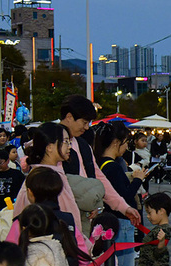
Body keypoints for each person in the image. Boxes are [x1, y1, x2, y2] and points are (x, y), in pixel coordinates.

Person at [94, 121, 149, 266]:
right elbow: (124, 196)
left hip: (109, 224)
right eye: (126, 143)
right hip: (121, 223)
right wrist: (137, 180)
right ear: (116, 143)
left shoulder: (99, 163)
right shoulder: (112, 166)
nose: (127, 147)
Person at [58, 95, 142, 228]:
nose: (86, 128)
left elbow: (99, 177)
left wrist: (123, 207)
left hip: (84, 219)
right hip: (61, 219)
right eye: (84, 122)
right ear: (69, 117)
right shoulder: (50, 142)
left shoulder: (83, 145)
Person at [0, 149, 25, 229]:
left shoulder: (17, 174)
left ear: (7, 161)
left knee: (14, 228)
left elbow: (23, 190)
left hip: (14, 207)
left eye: (0, 163)